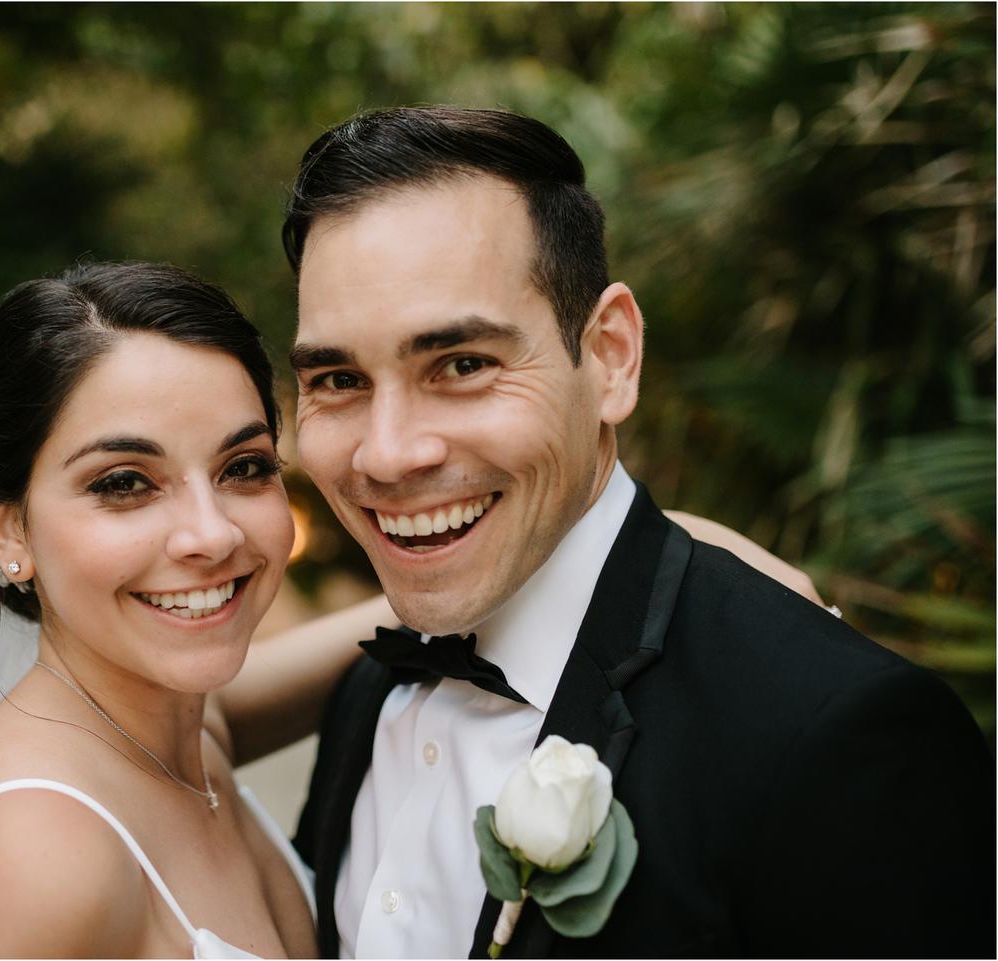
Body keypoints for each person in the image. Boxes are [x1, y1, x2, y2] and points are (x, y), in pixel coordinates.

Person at [0, 258, 825, 959]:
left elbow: (381, 639)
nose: (210, 534)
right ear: (7, 528)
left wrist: (633, 559)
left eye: (242, 467)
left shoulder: (180, 732)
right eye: (124, 483)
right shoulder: (36, 851)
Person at [284, 106, 994, 958]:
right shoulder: (367, 692)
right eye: (337, 377)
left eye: (464, 365)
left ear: (612, 355)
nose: (388, 453)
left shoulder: (831, 732)